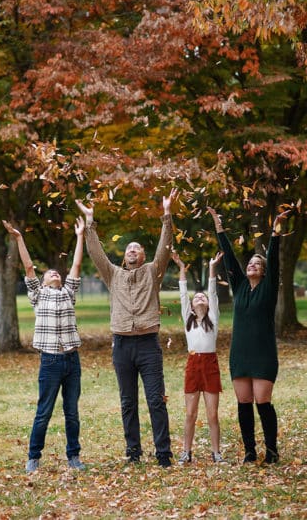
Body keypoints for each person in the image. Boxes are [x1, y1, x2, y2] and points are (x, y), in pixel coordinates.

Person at [76, 188, 177, 467]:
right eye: (129, 248)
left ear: (143, 256)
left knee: (156, 400)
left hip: (148, 345)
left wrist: (167, 216)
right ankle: (133, 452)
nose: (133, 250)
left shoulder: (152, 272)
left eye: (137, 248)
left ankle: (163, 453)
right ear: (125, 255)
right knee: (127, 402)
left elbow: (165, 248)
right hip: (121, 346)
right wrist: (89, 223)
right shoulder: (114, 275)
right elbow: (96, 253)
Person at [2, 217, 88, 474]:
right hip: (50, 361)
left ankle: (73, 456)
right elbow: (29, 267)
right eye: (50, 273)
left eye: (57, 273)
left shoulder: (68, 293)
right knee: (44, 412)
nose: (55, 273)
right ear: (43, 280)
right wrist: (19, 238)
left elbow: (76, 264)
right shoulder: (38, 294)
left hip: (72, 360)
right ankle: (33, 457)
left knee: (71, 412)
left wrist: (80, 235)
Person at [208, 206, 290, 464]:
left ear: (264, 272)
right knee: (243, 403)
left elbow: (274, 259)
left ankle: (273, 452)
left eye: (257, 264)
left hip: (263, 354)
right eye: (250, 263)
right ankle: (249, 452)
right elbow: (230, 258)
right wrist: (219, 227)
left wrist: (276, 231)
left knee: (262, 402)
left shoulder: (268, 289)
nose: (252, 265)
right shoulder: (240, 286)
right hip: (240, 354)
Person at [172, 251, 225, 465]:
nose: (200, 298)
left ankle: (216, 452)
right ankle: (187, 452)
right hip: (193, 365)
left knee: (212, 414)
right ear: (192, 307)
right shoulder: (188, 319)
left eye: (203, 297)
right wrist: (181, 267)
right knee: (191, 414)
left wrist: (212, 268)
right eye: (197, 298)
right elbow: (184, 294)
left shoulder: (213, 317)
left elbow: (212, 291)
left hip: (210, 365)